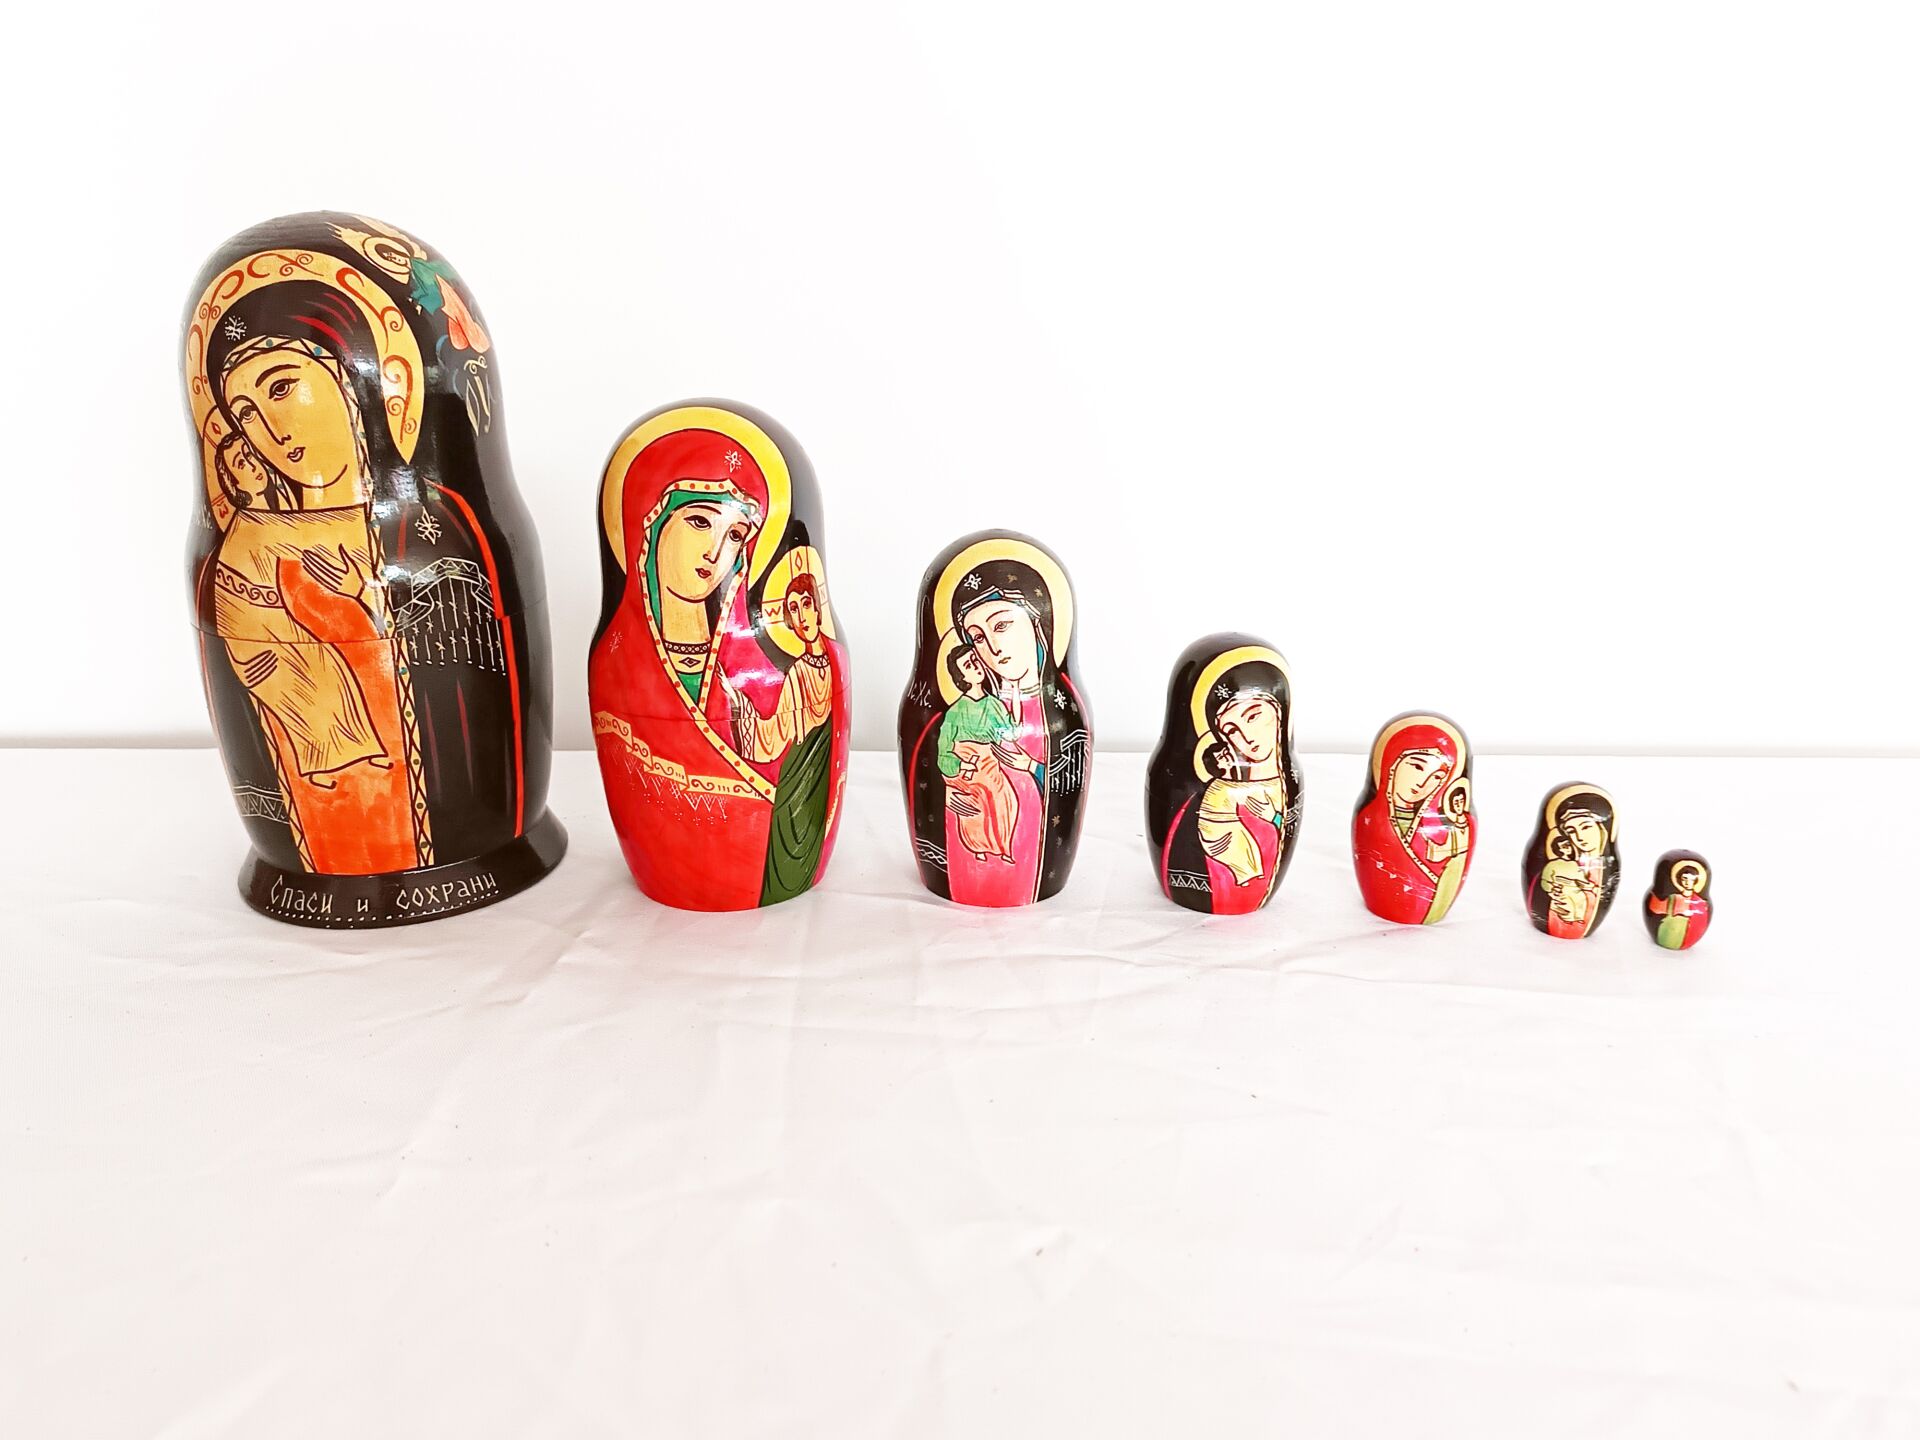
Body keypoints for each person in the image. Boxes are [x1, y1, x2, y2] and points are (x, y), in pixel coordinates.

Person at [935, 646, 1022, 863]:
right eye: (968, 665)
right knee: (976, 804)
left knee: (1007, 800)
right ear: (962, 677)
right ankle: (978, 848)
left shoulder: (995, 705)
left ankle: (1003, 848)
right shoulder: (955, 711)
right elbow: (944, 748)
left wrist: (1015, 692)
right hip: (968, 772)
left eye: (975, 659)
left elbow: (1012, 732)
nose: (976, 666)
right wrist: (961, 765)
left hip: (991, 767)